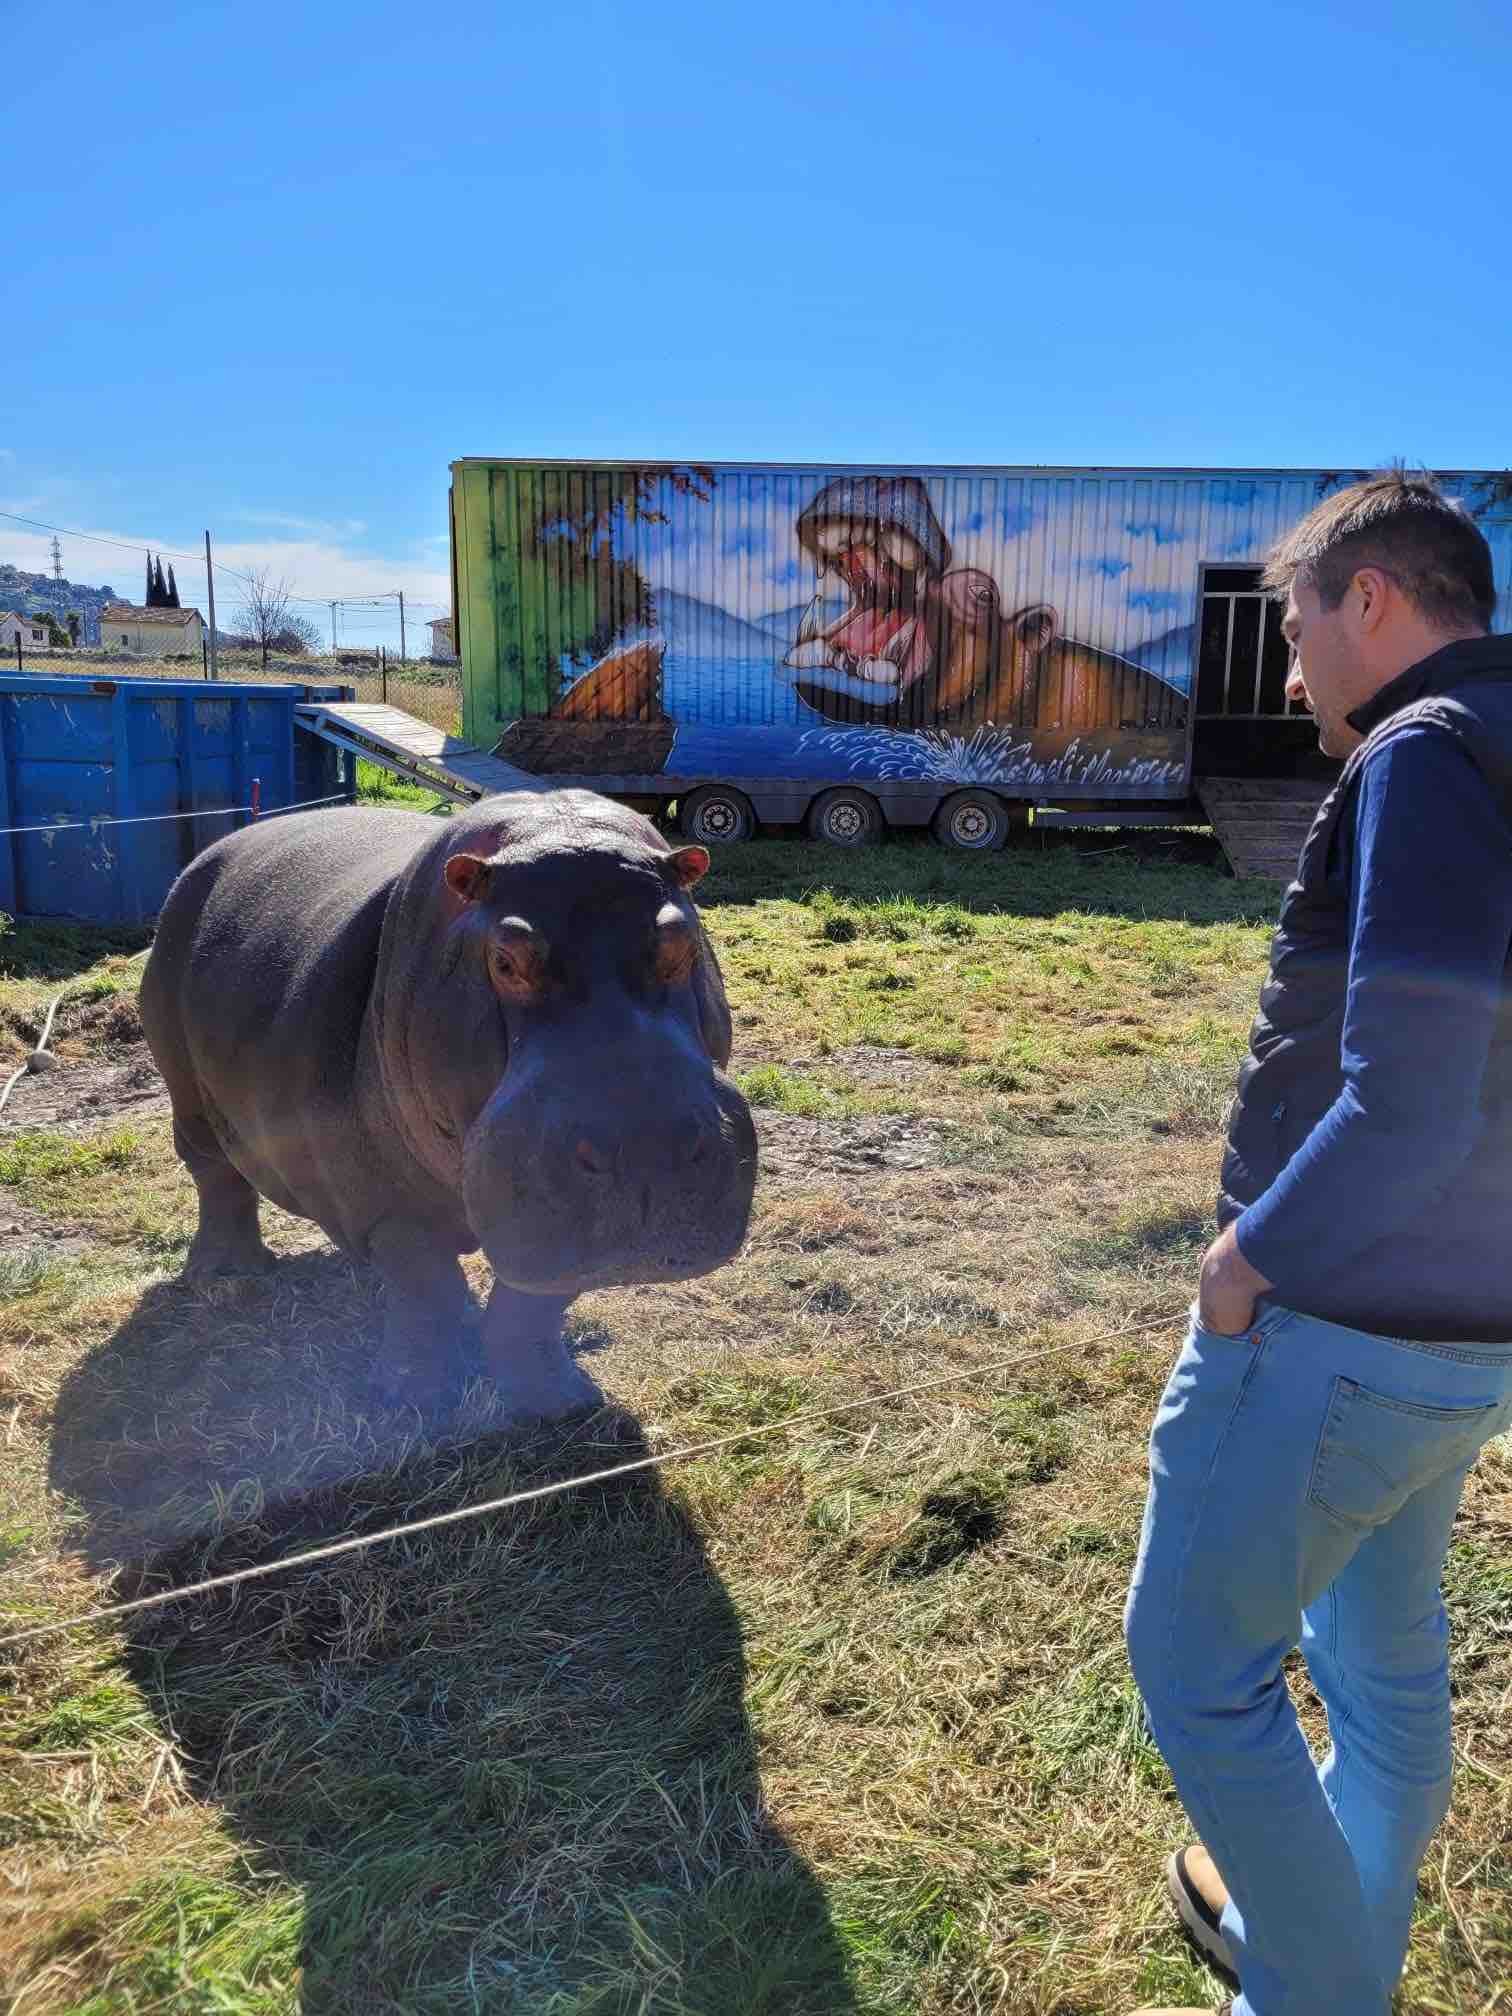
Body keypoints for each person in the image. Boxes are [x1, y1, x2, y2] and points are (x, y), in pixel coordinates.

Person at [1124, 472, 1512, 2016]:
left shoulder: (1427, 750)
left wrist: (1244, 1267)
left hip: (1345, 1324)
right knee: (1379, 1650)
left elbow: (1404, 1101)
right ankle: (1334, 1946)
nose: (1289, 678)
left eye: (1293, 630)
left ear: (1372, 599)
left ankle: (1324, 1990)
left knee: (1196, 1668)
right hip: (1469, 1331)